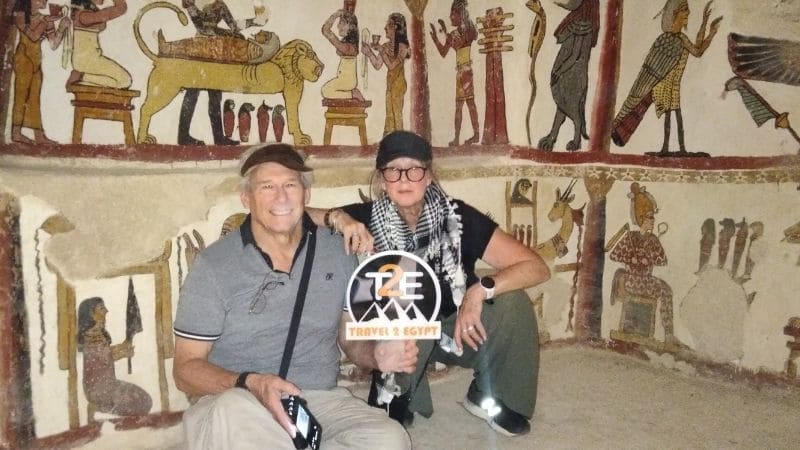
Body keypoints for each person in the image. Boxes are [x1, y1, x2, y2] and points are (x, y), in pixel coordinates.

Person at [172, 143, 414, 449]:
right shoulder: (215, 265)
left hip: (313, 400)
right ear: (246, 198)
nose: (281, 197)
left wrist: (376, 355)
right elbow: (185, 370)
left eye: (290, 185)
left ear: (306, 195)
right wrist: (251, 382)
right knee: (235, 416)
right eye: (267, 186)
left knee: (390, 439)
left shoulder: (337, 250)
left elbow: (350, 339)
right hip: (237, 400)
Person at [310, 130, 550, 436]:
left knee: (512, 303)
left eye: (415, 170)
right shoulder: (365, 218)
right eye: (393, 171)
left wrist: (479, 291)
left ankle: (492, 394)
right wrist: (338, 218)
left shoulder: (458, 218)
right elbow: (295, 217)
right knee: (407, 301)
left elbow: (535, 267)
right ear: (382, 180)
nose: (404, 179)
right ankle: (396, 393)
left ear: (429, 177)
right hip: (398, 329)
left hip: (455, 326)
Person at [609, 182, 677, 345]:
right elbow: (614, 254)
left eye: (653, 217)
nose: (653, 221)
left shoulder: (653, 239)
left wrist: (650, 258)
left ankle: (668, 334)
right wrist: (629, 258)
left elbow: (663, 260)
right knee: (665, 290)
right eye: (649, 218)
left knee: (667, 290)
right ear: (641, 219)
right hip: (632, 280)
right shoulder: (631, 237)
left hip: (646, 280)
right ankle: (667, 335)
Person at [77, 297, 152, 416]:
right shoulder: (91, 335)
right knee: (140, 402)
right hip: (98, 389)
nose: (106, 311)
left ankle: (105, 408)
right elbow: (105, 356)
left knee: (144, 399)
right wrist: (124, 352)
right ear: (91, 314)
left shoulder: (99, 333)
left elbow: (107, 351)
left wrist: (124, 345)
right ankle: (99, 408)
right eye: (101, 308)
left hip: (109, 383)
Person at [11, 0, 70, 144]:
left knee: (34, 98)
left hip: (36, 60)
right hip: (23, 58)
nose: (45, 1)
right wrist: (45, 21)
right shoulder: (21, 15)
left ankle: (39, 135)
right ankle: (16, 133)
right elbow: (33, 36)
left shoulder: (44, 19)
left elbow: (53, 44)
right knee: (21, 95)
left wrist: (62, 28)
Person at [429, 0, 480, 146]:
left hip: (465, 72)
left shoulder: (467, 30)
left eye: (453, 14)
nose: (451, 17)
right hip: (460, 72)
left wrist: (445, 33)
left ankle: (475, 135)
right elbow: (444, 52)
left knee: (469, 103)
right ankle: (457, 137)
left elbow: (459, 42)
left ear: (460, 15)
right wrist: (436, 38)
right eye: (451, 14)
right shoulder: (456, 33)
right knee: (460, 105)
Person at [362, 13, 409, 136]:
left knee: (396, 115)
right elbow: (377, 65)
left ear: (396, 27)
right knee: (389, 115)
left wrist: (382, 51)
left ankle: (400, 142)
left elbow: (392, 66)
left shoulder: (403, 47)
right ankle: (389, 140)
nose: (385, 28)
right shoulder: (386, 46)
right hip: (390, 85)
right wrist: (369, 53)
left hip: (398, 85)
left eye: (388, 25)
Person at [68, 0, 132, 89]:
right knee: (125, 80)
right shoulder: (84, 16)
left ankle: (82, 77)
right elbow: (121, 8)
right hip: (86, 60)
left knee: (119, 82)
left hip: (90, 58)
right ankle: (81, 76)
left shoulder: (87, 14)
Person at [320, 1, 363, 100]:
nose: (338, 26)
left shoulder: (347, 47)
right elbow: (325, 30)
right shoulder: (348, 44)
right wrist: (337, 14)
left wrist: (336, 15)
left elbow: (325, 30)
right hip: (345, 79)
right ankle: (351, 93)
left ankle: (353, 94)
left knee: (326, 91)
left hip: (347, 80)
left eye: (342, 23)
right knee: (326, 90)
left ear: (351, 27)